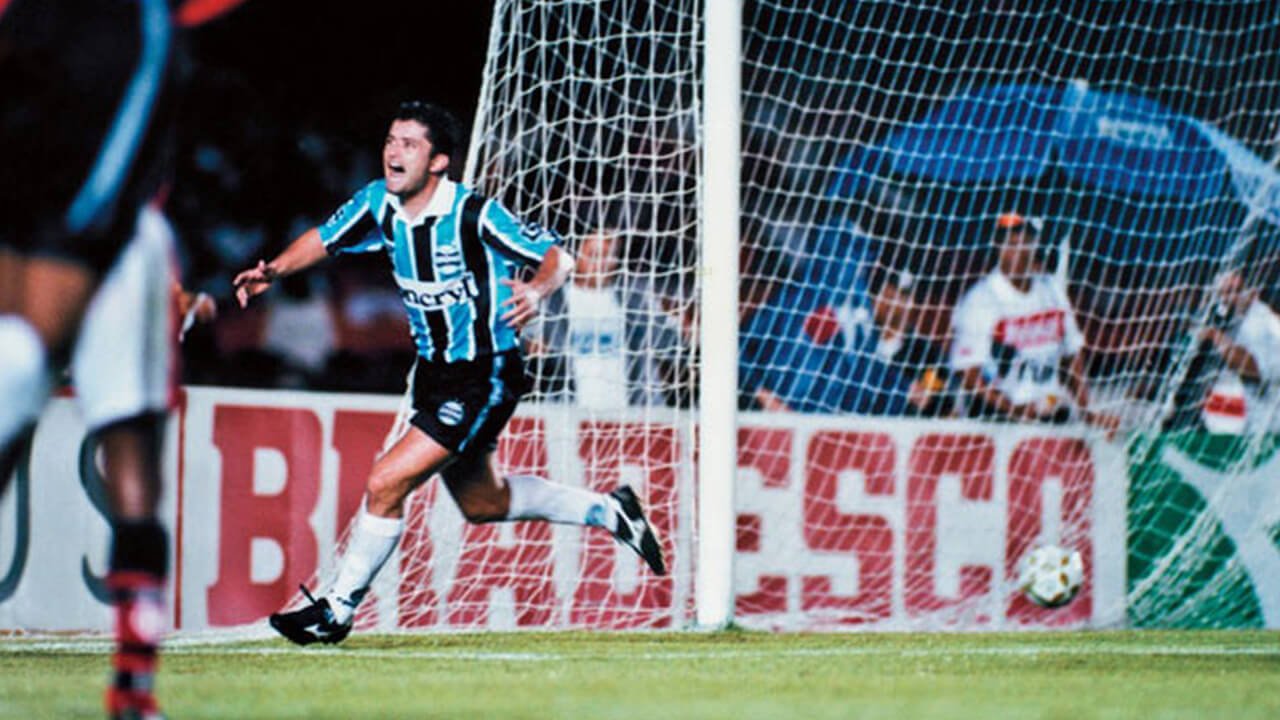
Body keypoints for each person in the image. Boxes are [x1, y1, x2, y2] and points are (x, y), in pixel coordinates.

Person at [233, 101, 666, 646]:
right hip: (438, 375)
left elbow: (557, 256)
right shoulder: (379, 203)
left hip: (484, 373)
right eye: (391, 140)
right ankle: (610, 511)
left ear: (438, 161)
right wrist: (273, 269)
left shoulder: (474, 214)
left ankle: (336, 610)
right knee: (483, 503)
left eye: (409, 144)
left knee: (386, 480)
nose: (394, 151)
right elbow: (325, 237)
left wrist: (536, 289)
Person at [0, 2, 189, 717]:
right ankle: (134, 689)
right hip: (89, 226)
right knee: (123, 451)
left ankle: (133, 688)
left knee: (129, 452)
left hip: (101, 232)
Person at [950, 212, 1121, 435]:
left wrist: (1086, 409)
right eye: (1010, 244)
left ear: (1034, 245)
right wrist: (1013, 409)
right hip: (999, 419)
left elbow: (1071, 353)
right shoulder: (982, 298)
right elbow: (968, 371)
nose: (1017, 253)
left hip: (1051, 412)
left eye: (1024, 243)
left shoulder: (1050, 289)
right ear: (998, 248)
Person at [528, 229, 687, 408]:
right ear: (576, 256)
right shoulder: (551, 302)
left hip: (629, 413)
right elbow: (527, 345)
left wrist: (680, 323)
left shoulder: (635, 301)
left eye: (610, 255)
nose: (603, 263)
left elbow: (672, 348)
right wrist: (531, 347)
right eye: (595, 254)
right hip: (568, 411)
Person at [1196, 262, 1280, 432]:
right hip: (1250, 425)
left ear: (1252, 292)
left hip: (1271, 428)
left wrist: (1217, 337)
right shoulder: (1232, 320)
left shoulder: (1261, 322)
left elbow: (1253, 368)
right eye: (1224, 293)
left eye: (1236, 290)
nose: (1230, 298)